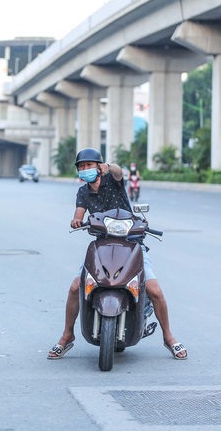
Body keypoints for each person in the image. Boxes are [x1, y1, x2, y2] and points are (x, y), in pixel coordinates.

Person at [47, 148, 187, 360]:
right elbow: (79, 213)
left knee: (154, 290)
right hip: (101, 246)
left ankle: (169, 337)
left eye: (89, 165)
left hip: (131, 244)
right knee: (76, 287)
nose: (86, 170)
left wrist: (109, 167)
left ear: (99, 167)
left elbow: (119, 171)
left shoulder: (113, 180)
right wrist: (76, 220)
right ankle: (67, 335)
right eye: (82, 167)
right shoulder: (83, 192)